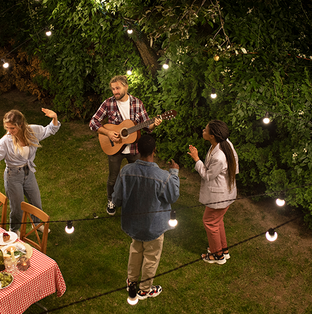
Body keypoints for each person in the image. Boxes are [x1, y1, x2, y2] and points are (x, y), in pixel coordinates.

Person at [112, 134, 180, 299]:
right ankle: (144, 289)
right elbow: (173, 197)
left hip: (133, 224)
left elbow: (116, 199)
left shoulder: (126, 171)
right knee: (151, 257)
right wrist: (174, 173)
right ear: (154, 151)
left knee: (135, 250)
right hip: (154, 227)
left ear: (137, 150)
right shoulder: (163, 177)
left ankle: (132, 282)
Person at [89, 75, 161, 216]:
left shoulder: (137, 103)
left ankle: (136, 201)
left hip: (134, 149)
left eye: (118, 88)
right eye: (113, 89)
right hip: (115, 147)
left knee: (139, 176)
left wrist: (154, 123)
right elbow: (93, 122)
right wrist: (108, 133)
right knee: (113, 178)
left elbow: (147, 126)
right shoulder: (108, 103)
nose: (115, 91)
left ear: (126, 87)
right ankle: (112, 200)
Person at [0, 108, 60, 233]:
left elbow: (50, 130)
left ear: (21, 125)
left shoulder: (32, 131)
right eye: (7, 128)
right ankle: (14, 229)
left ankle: (37, 224)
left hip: (28, 173)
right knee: (17, 207)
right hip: (13, 176)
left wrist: (54, 118)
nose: (9, 131)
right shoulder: (5, 141)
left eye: (12, 128)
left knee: (36, 201)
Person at [188, 120, 239, 265]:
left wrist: (196, 159)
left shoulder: (219, 156)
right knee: (217, 221)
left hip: (219, 197)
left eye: (206, 130)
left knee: (209, 222)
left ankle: (217, 256)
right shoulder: (225, 144)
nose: (203, 130)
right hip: (226, 193)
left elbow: (207, 176)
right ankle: (223, 250)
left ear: (212, 136)